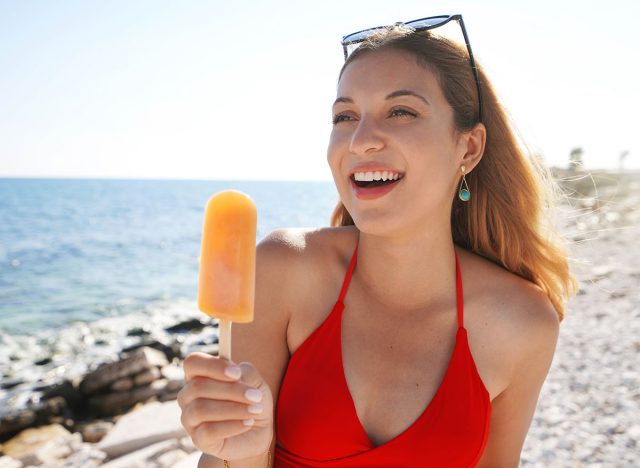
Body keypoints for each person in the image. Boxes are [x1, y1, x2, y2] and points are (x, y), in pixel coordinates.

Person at [178, 15, 577, 467]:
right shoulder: (283, 270)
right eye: (344, 116)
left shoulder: (524, 323)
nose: (361, 140)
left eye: (401, 111)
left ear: (468, 148)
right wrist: (240, 453)